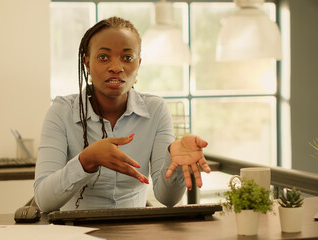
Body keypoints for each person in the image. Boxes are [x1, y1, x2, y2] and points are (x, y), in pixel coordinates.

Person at [34, 16, 210, 212]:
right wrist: (87, 160)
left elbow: (167, 199)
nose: (116, 67)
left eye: (127, 58)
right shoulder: (62, 111)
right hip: (74, 231)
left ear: (139, 64)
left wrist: (173, 162)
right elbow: (43, 200)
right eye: (103, 57)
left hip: (134, 230)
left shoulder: (156, 110)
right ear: (87, 64)